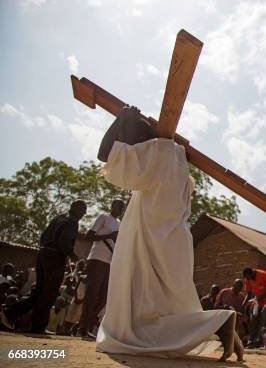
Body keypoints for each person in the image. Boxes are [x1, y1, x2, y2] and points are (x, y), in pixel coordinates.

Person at [95, 106, 242, 361]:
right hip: (172, 241)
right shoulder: (177, 161)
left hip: (151, 241)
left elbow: (104, 154)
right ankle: (217, 325)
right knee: (165, 311)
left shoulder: (156, 152)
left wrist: (122, 118)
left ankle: (219, 322)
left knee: (138, 321)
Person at [1, 200, 87, 333]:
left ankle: (9, 313)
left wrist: (45, 251)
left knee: (39, 291)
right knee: (49, 293)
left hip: (43, 254)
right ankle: (38, 326)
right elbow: (64, 242)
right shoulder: (72, 222)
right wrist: (72, 255)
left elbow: (44, 235)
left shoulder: (59, 217)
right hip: (55, 257)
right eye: (83, 210)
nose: (84, 214)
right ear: (76, 209)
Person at [79, 200, 125, 339]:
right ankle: (83, 328)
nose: (120, 209)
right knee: (91, 295)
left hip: (110, 263)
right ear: (112, 206)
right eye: (118, 206)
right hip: (97, 259)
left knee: (105, 297)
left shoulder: (120, 223)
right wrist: (109, 236)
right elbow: (89, 236)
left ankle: (86, 322)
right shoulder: (103, 217)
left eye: (122, 207)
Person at [242, 267, 266, 347]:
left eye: (248, 277)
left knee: (263, 322)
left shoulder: (263, 274)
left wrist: (261, 297)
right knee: (253, 320)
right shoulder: (248, 279)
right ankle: (252, 340)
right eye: (247, 278)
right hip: (257, 303)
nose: (248, 279)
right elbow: (249, 294)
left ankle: (261, 341)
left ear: (251, 272)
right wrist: (244, 304)